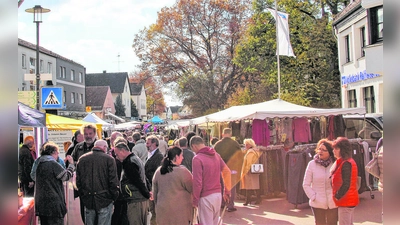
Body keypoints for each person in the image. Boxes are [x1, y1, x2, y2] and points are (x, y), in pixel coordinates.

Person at [76, 140, 120, 225]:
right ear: (104, 147)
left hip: (88, 198)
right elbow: (113, 181)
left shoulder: (82, 159)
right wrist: (114, 196)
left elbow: (78, 181)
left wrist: (83, 195)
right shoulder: (109, 159)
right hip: (105, 199)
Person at [190, 136, 231, 225]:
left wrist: (195, 201)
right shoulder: (216, 155)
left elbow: (197, 182)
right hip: (217, 195)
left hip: (205, 197)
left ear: (194, 146)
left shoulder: (197, 158)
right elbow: (227, 172)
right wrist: (227, 191)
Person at [32, 142, 75, 225]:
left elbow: (33, 177)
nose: (57, 156)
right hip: (54, 204)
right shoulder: (53, 164)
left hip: (41, 203)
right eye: (57, 153)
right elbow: (65, 177)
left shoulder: (39, 164)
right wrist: (71, 165)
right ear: (54, 152)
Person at [152, 146, 193, 225]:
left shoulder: (159, 171)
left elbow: (155, 192)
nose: (183, 158)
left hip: (162, 210)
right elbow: (192, 188)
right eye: (181, 155)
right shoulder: (183, 172)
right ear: (177, 157)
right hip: (180, 212)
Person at [114, 142, 151, 225]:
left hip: (135, 199)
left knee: (135, 222)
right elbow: (143, 177)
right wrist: (148, 191)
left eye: (117, 154)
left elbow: (137, 180)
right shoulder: (135, 158)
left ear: (122, 151)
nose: (116, 157)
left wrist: (147, 193)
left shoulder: (129, 162)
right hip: (139, 198)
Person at [303, 139, 338, 225]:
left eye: (324, 150)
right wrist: (313, 197)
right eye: (319, 149)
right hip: (317, 203)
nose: (320, 152)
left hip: (333, 202)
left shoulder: (335, 164)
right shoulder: (312, 164)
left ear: (330, 152)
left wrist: (337, 196)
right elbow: (306, 184)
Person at [71, 123, 98, 224]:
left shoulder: (100, 145)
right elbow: (72, 162)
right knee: (85, 214)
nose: (88, 136)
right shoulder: (78, 147)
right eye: (86, 134)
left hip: (98, 185)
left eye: (90, 133)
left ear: (94, 133)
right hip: (83, 186)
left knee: (98, 215)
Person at [330, 137, 359, 225]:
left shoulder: (346, 163)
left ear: (343, 150)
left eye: (337, 148)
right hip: (347, 199)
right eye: (333, 148)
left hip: (346, 200)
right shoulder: (345, 162)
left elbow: (346, 183)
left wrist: (337, 196)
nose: (334, 151)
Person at [214, 128, 244, 212]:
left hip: (221, 168)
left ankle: (223, 203)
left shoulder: (218, 144)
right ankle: (230, 204)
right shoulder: (235, 144)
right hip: (232, 169)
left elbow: (213, 156)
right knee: (232, 186)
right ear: (230, 134)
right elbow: (240, 156)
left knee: (221, 185)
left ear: (223, 134)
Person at [145, 135, 164, 225]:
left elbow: (158, 173)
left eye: (148, 143)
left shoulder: (159, 156)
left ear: (154, 144)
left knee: (154, 211)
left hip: (154, 188)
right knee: (152, 211)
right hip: (150, 187)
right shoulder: (149, 155)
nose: (146, 145)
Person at [240, 138, 262, 206]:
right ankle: (253, 199)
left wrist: (246, 170)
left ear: (249, 145)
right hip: (254, 170)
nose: (245, 146)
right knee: (254, 185)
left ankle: (250, 200)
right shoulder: (255, 150)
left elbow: (249, 162)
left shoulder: (250, 152)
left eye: (246, 144)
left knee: (249, 186)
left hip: (250, 171)